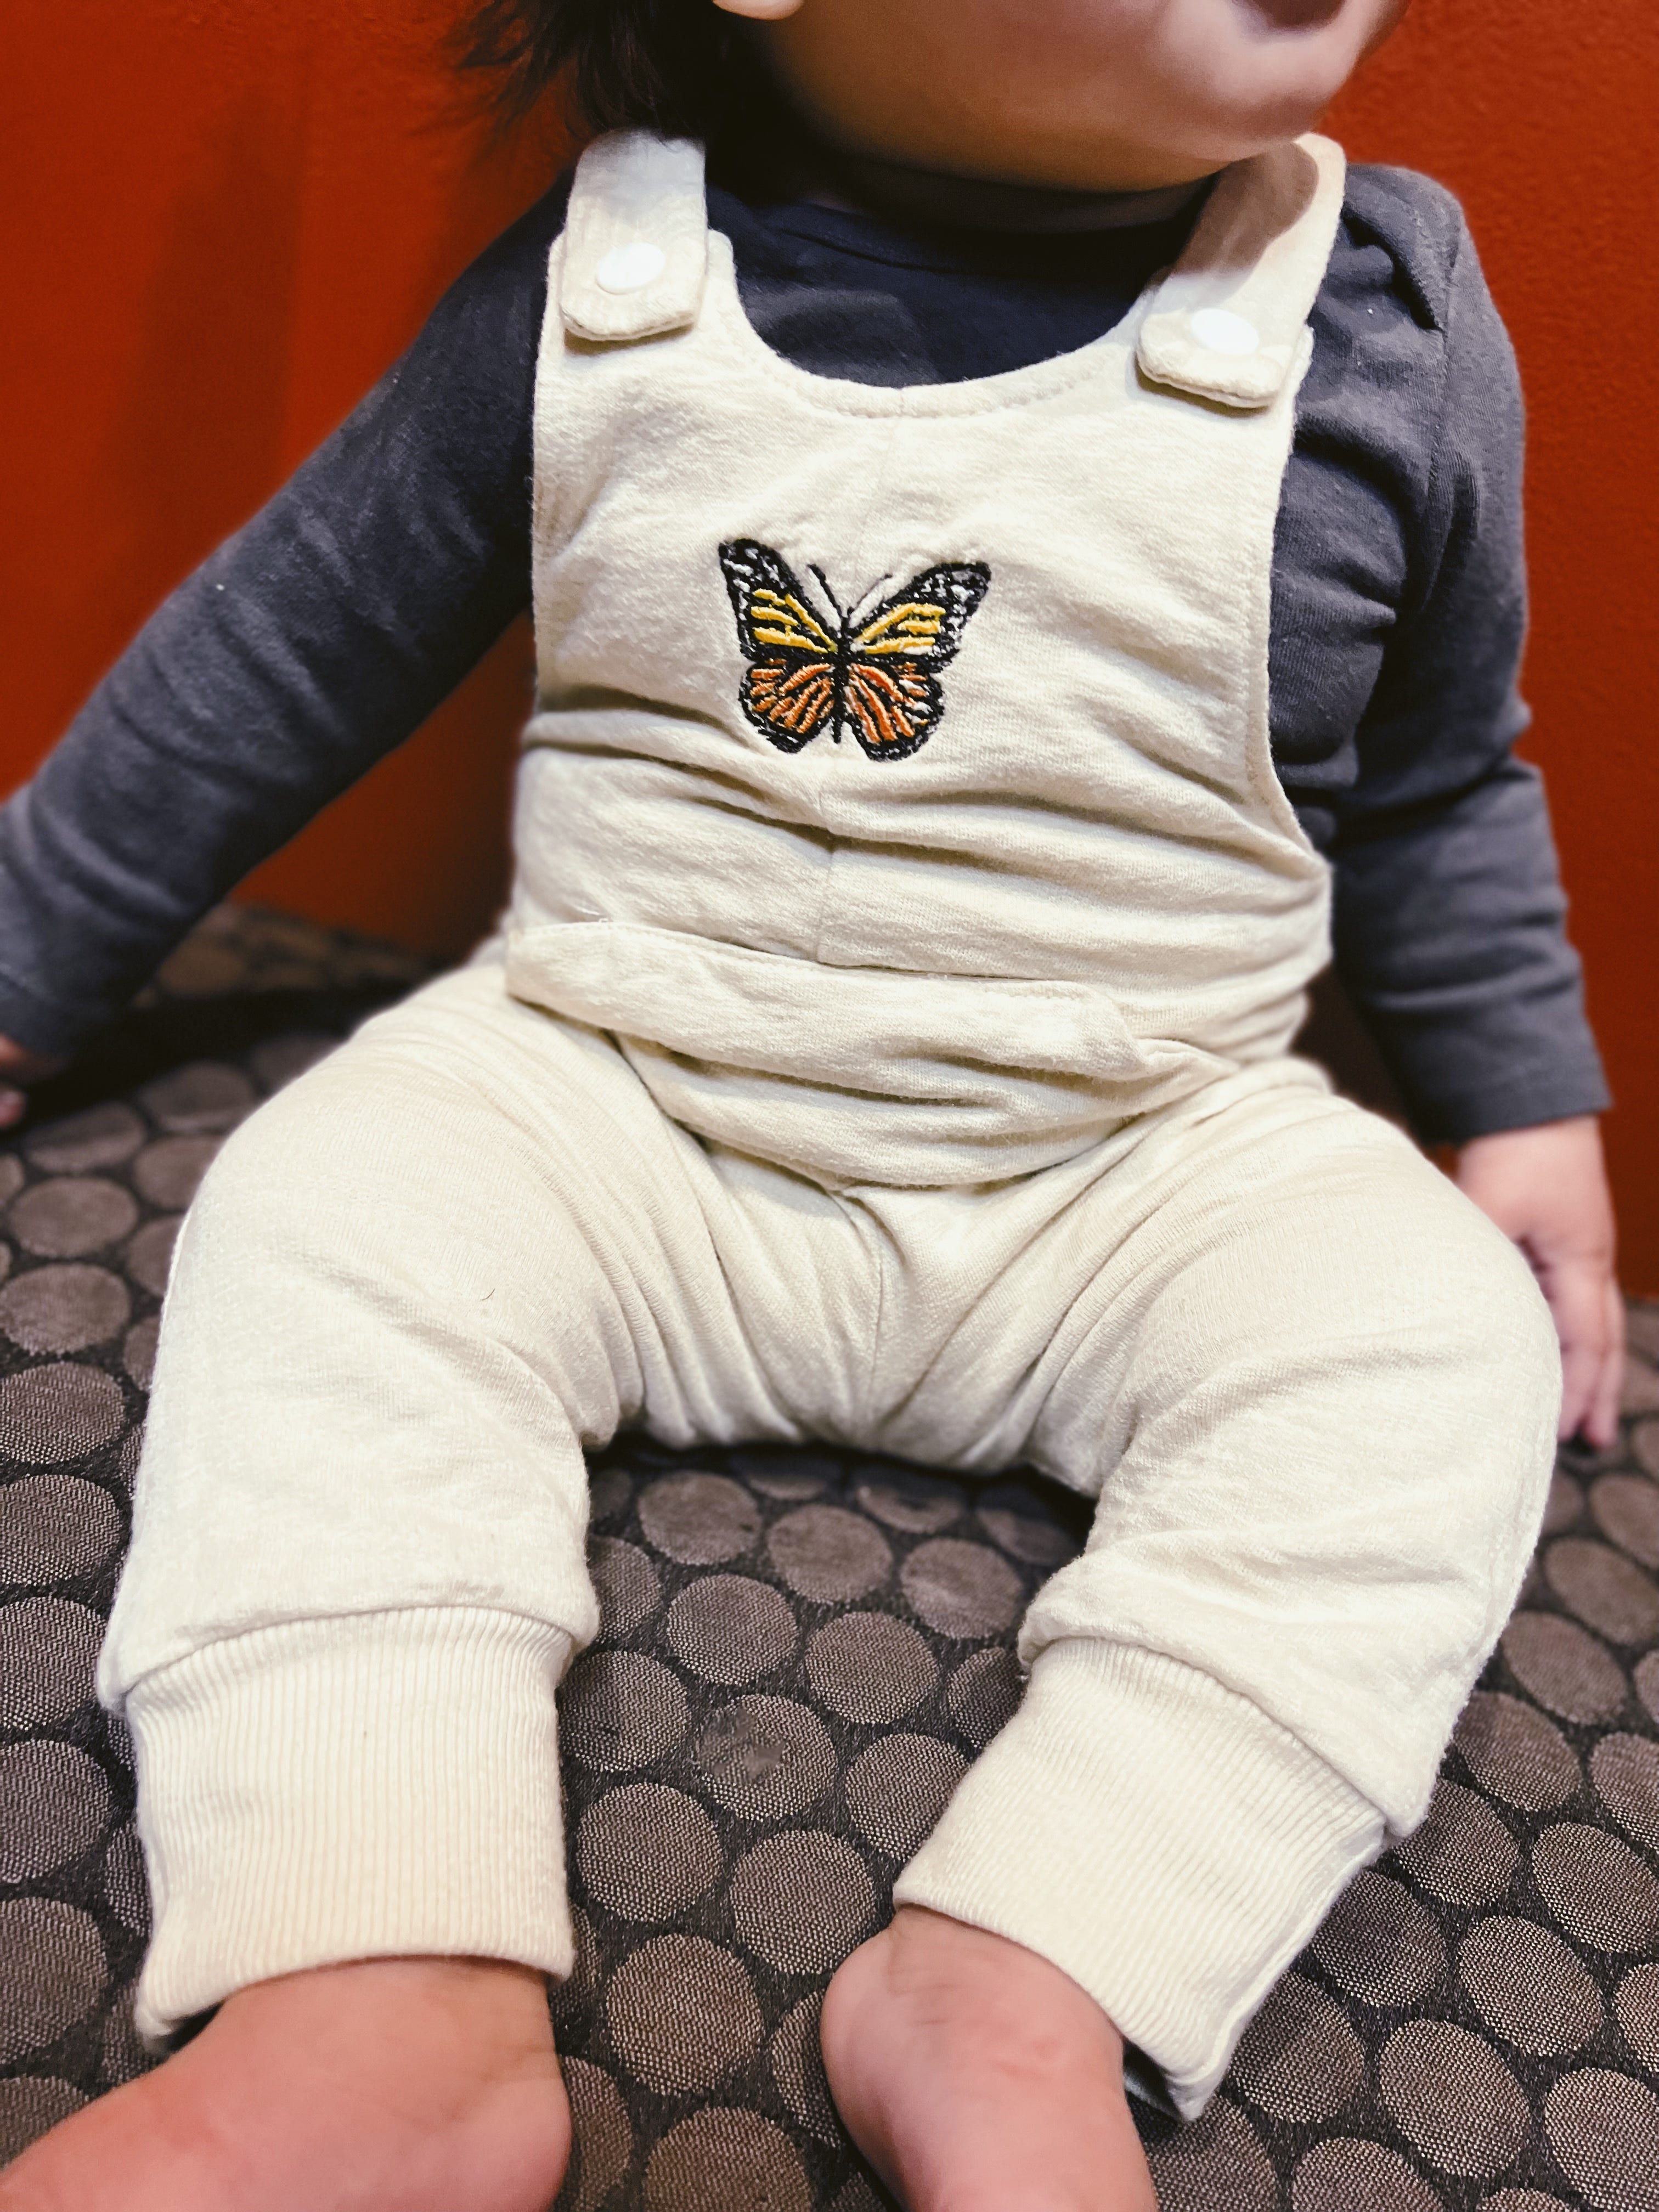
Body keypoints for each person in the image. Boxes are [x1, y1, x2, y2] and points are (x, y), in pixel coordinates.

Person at [0, 1, 1626, 2207]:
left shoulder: (1383, 321)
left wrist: (1524, 1109)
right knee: (328, 1211)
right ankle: (374, 2001)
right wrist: (24, 972)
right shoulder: (605, 286)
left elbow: (1437, 775)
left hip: (1130, 1164)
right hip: (621, 1099)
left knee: (1432, 1340)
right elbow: (278, 656)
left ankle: (1025, 1986)